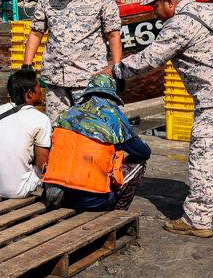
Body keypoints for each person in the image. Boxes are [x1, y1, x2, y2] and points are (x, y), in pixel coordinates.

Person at [109, 0, 213, 238]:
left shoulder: (179, 23)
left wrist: (115, 70)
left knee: (206, 158)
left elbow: (150, 58)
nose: (154, 12)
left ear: (170, 1)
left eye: (156, 6)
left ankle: (197, 220)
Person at [23, 0, 122, 122]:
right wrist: (26, 64)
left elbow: (113, 34)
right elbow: (36, 32)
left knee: (89, 129)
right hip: (55, 80)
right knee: (57, 129)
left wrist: (117, 67)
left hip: (88, 79)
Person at [43, 74, 150, 211]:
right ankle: (117, 214)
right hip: (93, 201)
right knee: (140, 163)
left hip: (57, 197)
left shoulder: (65, 114)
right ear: (112, 95)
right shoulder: (115, 118)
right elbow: (144, 152)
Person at [0, 68, 52, 198]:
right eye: (38, 87)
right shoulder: (41, 119)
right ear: (30, 93)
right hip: (18, 190)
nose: (41, 91)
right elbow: (42, 164)